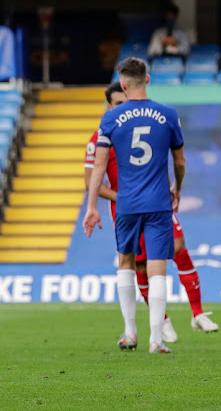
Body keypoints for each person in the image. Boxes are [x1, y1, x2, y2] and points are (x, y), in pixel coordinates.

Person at [84, 82, 218, 340]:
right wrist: (120, 197)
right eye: (119, 104)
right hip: (126, 208)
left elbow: (165, 160)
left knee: (178, 246)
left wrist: (169, 187)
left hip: (156, 201)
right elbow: (91, 181)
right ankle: (161, 322)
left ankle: (197, 313)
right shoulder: (100, 138)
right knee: (141, 264)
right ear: (109, 107)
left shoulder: (148, 124)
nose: (125, 108)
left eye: (127, 102)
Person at [83, 57, 186, 354]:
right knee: (157, 266)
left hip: (126, 203)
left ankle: (130, 333)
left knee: (126, 263)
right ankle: (156, 339)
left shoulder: (111, 118)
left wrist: (92, 207)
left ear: (123, 84)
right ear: (148, 79)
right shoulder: (168, 114)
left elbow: (99, 166)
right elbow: (179, 161)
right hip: (158, 202)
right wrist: (177, 188)